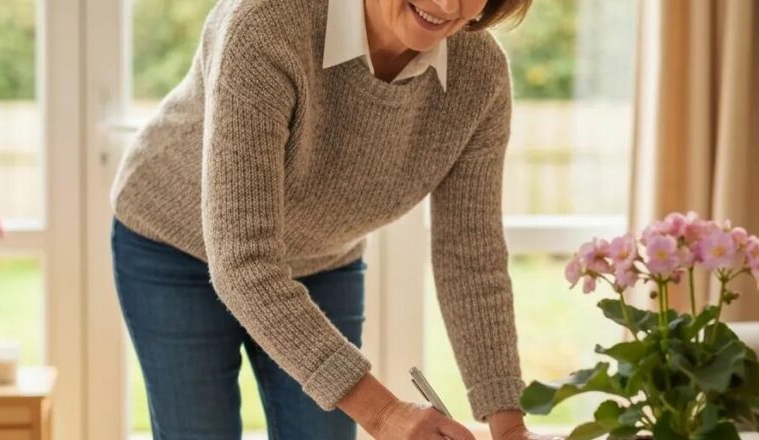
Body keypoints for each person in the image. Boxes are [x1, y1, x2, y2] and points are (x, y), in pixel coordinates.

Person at [110, 0, 561, 438]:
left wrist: (511, 429)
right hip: (174, 244)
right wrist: (384, 415)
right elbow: (244, 263)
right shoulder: (267, 22)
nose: (446, 3)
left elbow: (470, 258)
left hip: (323, 258)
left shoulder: (479, 76)